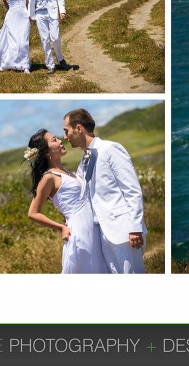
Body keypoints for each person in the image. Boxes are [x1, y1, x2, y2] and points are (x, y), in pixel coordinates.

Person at [64, 108, 148, 273]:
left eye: (66, 131)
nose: (65, 137)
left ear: (78, 128)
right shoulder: (85, 158)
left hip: (124, 231)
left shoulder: (110, 149)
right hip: (103, 234)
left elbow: (131, 189)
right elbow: (79, 187)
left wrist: (135, 227)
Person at [25, 129, 108, 273]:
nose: (60, 141)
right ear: (46, 152)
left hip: (94, 228)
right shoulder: (48, 178)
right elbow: (33, 213)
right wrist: (61, 227)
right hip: (79, 231)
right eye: (54, 140)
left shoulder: (68, 172)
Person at [28, 0, 72, 73]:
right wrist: (30, 14)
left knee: (55, 37)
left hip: (51, 12)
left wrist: (62, 11)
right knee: (44, 39)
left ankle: (60, 59)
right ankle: (50, 65)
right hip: (39, 14)